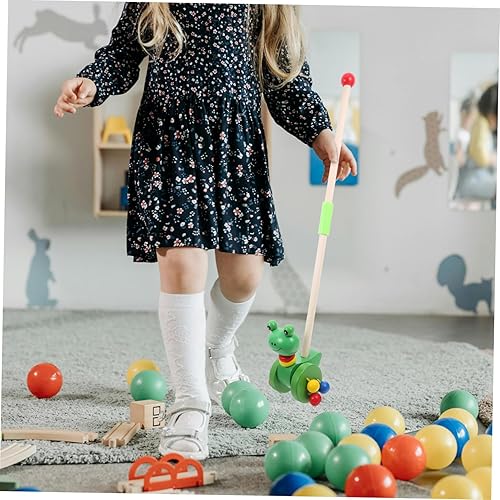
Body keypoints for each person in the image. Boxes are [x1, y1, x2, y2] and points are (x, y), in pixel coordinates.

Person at [53, 2, 357, 460]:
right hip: (171, 139)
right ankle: (190, 402)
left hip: (235, 144)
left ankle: (217, 345)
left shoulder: (264, 7)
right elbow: (121, 55)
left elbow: (285, 79)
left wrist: (321, 132)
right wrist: (91, 83)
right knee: (181, 264)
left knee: (245, 277)